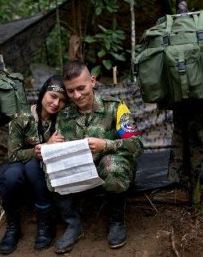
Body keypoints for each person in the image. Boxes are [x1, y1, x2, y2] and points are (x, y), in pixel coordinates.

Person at [52, 60, 144, 253]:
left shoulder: (115, 107)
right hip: (81, 172)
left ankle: (116, 221)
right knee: (49, 165)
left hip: (108, 171)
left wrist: (106, 145)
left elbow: (137, 145)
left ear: (92, 81)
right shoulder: (63, 115)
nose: (76, 95)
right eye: (70, 91)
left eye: (81, 88)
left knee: (112, 164)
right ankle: (73, 224)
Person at [0, 75, 68, 255]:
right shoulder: (22, 118)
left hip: (50, 167)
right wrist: (39, 150)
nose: (55, 103)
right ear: (43, 93)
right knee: (10, 176)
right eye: (52, 96)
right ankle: (13, 226)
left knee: (33, 167)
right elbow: (12, 155)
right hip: (21, 164)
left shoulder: (64, 119)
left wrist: (46, 152)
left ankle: (45, 223)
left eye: (61, 100)